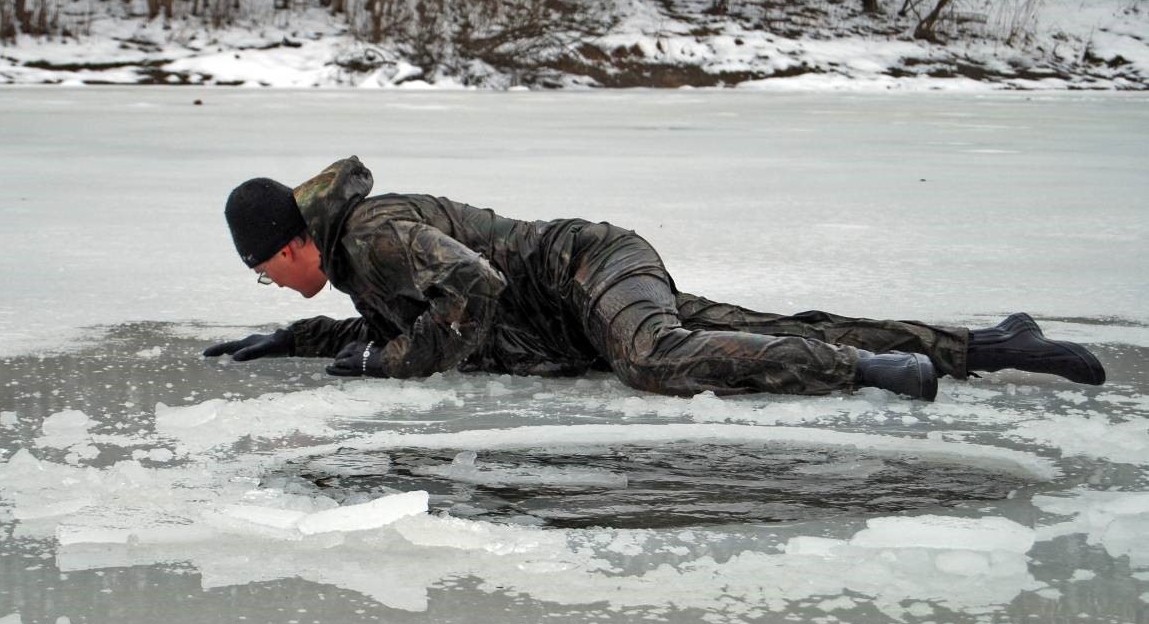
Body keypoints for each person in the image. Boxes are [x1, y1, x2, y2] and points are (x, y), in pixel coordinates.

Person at [203, 157, 1105, 401]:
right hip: (577, 316)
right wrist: (301, 339)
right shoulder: (356, 264)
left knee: (655, 357)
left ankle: (868, 374)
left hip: (588, 268)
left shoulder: (372, 232)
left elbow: (471, 290)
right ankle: (991, 345)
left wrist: (398, 367)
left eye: (267, 284)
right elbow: (391, 326)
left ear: (286, 248)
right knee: (757, 330)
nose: (275, 290)